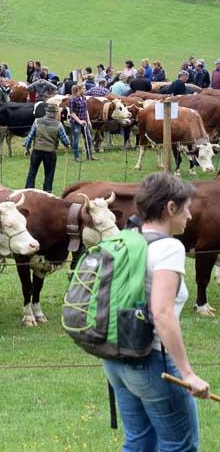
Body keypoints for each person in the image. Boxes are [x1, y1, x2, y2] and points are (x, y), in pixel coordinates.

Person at [102, 173, 211, 450]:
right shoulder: (169, 247)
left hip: (115, 359)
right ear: (170, 208)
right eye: (185, 207)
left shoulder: (126, 240)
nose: (189, 215)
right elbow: (162, 313)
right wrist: (187, 373)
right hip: (152, 361)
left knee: (139, 442)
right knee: (179, 445)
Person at [23, 103, 70, 193]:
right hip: (50, 152)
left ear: (46, 112)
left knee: (32, 172)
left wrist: (27, 148)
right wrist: (67, 145)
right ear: (55, 113)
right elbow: (64, 139)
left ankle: (28, 191)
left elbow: (30, 136)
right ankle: (47, 192)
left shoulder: (37, 121)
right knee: (49, 174)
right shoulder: (58, 124)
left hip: (37, 150)